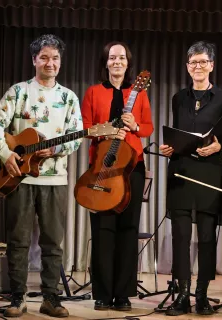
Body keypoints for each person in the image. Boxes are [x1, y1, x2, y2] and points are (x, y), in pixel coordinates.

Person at [0, 34, 82, 318]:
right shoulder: (18, 92)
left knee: (53, 242)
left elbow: (75, 138)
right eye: (44, 58)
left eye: (55, 58)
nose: (50, 63)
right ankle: (17, 298)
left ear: (60, 62)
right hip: (20, 179)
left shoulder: (69, 98)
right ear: (34, 60)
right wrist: (6, 154)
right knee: (18, 240)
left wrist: (55, 149)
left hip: (55, 180)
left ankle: (51, 298)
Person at [159, 41, 222, 316]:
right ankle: (181, 295)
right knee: (180, 236)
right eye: (193, 63)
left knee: (205, 236)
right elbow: (176, 133)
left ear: (212, 65)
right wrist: (169, 148)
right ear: (187, 67)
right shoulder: (178, 98)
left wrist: (218, 147)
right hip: (180, 170)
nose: (198, 67)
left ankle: (201, 295)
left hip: (209, 171)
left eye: (203, 62)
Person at [81, 41, 154, 311]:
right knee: (103, 230)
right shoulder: (93, 92)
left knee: (128, 228)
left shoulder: (139, 94)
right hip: (101, 167)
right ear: (106, 62)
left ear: (128, 62)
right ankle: (102, 293)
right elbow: (86, 129)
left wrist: (134, 125)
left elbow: (148, 127)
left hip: (132, 167)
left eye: (122, 57)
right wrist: (109, 131)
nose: (117, 62)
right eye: (112, 58)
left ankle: (123, 294)